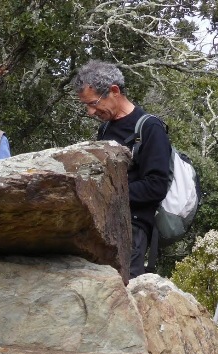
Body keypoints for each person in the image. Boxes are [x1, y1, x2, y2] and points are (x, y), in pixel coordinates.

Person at [74, 60, 171, 279]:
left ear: (114, 91)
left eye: (93, 103)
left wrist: (109, 194)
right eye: (86, 105)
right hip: (104, 226)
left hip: (133, 229)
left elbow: (156, 186)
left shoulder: (149, 127)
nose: (90, 111)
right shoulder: (105, 129)